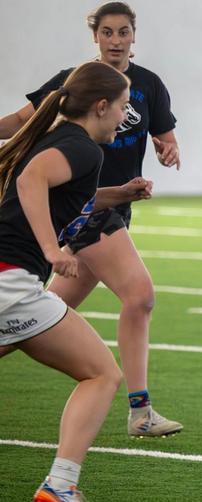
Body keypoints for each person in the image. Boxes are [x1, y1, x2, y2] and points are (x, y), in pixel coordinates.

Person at [0, 2, 182, 438]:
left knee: (29, 316)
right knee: (140, 296)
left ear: (133, 36)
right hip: (87, 213)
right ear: (96, 37)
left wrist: (167, 148)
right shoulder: (77, 84)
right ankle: (140, 411)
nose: (116, 40)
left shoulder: (149, 85)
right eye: (107, 33)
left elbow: (165, 133)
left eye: (123, 32)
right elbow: (24, 124)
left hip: (109, 204)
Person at [0, 61, 149, 502]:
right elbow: (30, 183)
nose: (125, 118)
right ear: (100, 106)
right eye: (122, 108)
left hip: (9, 278)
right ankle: (61, 483)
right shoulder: (82, 147)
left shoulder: (64, 142)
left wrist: (117, 194)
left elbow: (64, 192)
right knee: (102, 374)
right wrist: (51, 250)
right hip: (13, 282)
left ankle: (61, 484)